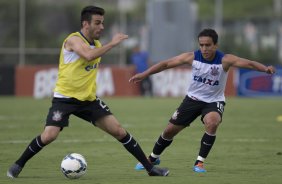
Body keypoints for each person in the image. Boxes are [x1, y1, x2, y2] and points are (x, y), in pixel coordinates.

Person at [7, 6, 169, 178]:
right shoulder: (73, 40)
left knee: (119, 131)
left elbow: (92, 53)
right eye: (98, 23)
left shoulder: (97, 44)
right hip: (65, 99)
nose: (102, 27)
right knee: (49, 136)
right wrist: (113, 43)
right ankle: (18, 164)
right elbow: (88, 55)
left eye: (103, 23)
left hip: (88, 100)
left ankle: (150, 169)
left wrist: (107, 45)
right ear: (85, 24)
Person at [129, 28, 276, 173]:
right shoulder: (191, 57)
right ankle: (153, 158)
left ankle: (199, 162)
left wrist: (265, 69)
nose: (204, 48)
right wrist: (145, 74)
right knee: (169, 131)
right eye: (201, 45)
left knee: (212, 122)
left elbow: (249, 63)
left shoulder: (225, 60)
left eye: (208, 45)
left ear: (215, 45)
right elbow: (166, 64)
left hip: (214, 101)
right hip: (192, 99)